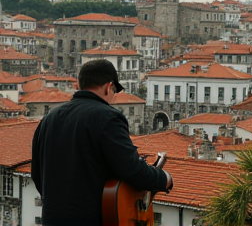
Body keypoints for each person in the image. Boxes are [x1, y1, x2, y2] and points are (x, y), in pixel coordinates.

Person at [32, 59, 173, 226]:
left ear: (80, 85)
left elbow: (37, 174)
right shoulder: (109, 118)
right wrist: (164, 178)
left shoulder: (48, 119)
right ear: (109, 87)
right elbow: (131, 169)